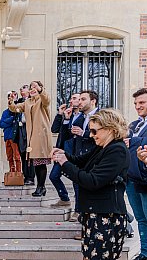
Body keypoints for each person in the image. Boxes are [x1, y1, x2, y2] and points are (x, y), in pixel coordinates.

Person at [51, 108, 130, 260]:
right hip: (95, 214)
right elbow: (80, 162)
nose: (91, 135)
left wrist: (65, 163)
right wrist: (62, 154)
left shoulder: (117, 150)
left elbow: (93, 181)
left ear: (110, 129)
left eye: (94, 131)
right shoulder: (102, 147)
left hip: (106, 217)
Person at [9, 81, 53, 197]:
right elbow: (15, 109)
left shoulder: (42, 100)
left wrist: (40, 90)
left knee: (40, 163)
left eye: (35, 86)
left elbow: (47, 100)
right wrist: (11, 100)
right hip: (32, 137)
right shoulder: (27, 102)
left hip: (42, 136)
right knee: (36, 163)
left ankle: (41, 187)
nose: (32, 88)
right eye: (31, 87)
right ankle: (40, 187)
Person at [61, 90, 98, 223]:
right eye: (80, 99)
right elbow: (66, 137)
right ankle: (81, 215)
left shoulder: (101, 116)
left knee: (93, 194)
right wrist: (65, 119)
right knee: (79, 189)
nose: (79, 102)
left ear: (93, 101)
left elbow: (104, 137)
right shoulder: (80, 117)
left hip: (94, 159)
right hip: (79, 158)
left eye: (83, 99)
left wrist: (85, 133)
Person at [125, 88, 147, 260]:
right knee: (141, 220)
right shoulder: (135, 125)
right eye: (135, 103)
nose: (137, 106)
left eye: (142, 102)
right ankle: (146, 253)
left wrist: (135, 141)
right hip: (131, 179)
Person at [49, 93, 81, 208]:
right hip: (62, 152)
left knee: (76, 181)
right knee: (53, 176)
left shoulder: (83, 117)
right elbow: (54, 129)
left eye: (75, 98)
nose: (71, 101)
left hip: (74, 154)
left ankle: (78, 209)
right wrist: (61, 114)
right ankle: (64, 199)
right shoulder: (68, 114)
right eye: (71, 98)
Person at [15, 84, 35, 185]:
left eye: (23, 90)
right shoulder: (19, 102)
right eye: (20, 90)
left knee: (30, 156)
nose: (21, 92)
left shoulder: (33, 101)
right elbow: (13, 110)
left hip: (30, 130)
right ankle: (25, 176)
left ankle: (31, 177)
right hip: (21, 131)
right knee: (23, 154)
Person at [0, 91, 21, 173]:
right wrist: (12, 119)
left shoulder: (18, 110)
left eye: (13, 96)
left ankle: (18, 174)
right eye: (9, 97)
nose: (11, 98)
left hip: (15, 137)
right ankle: (12, 173)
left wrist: (7, 121)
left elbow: (17, 122)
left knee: (17, 156)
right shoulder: (5, 112)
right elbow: (1, 124)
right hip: (7, 137)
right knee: (9, 157)